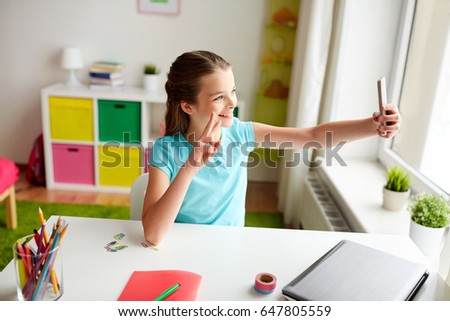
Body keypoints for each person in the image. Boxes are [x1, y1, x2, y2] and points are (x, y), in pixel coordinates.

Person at [142, 50, 401, 245]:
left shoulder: (241, 133)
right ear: (188, 106)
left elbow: (313, 136)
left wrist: (373, 126)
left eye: (232, 91)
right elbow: (153, 235)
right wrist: (190, 168)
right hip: (182, 246)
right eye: (219, 97)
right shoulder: (166, 150)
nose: (232, 102)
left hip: (230, 246)